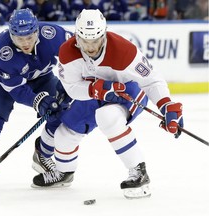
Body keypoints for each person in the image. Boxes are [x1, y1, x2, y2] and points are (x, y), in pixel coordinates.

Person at [32, 9, 184, 199]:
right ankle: (64, 173)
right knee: (63, 134)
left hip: (127, 91)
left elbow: (151, 80)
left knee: (107, 117)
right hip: (95, 91)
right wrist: (96, 89)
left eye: (95, 40)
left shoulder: (124, 50)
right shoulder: (67, 51)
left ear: (103, 34)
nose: (91, 47)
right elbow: (71, 87)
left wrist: (167, 106)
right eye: (85, 41)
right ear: (77, 36)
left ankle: (138, 171)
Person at [0, 8, 73, 188]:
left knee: (62, 110)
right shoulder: (3, 51)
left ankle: (42, 155)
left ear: (36, 31)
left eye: (29, 37)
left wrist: (71, 83)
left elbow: (77, 50)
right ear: (11, 35)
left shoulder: (52, 34)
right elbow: (17, 90)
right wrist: (39, 101)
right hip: (3, 80)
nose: (25, 43)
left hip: (42, 77)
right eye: (19, 38)